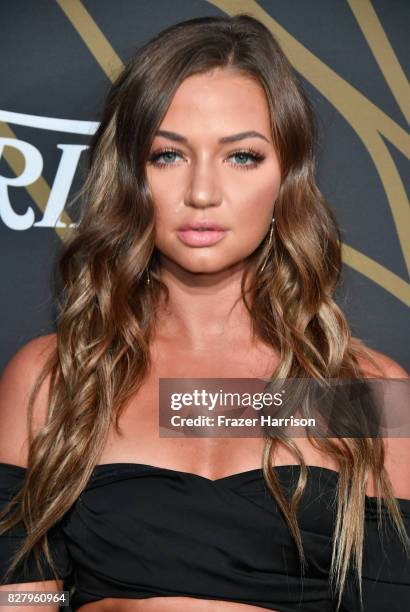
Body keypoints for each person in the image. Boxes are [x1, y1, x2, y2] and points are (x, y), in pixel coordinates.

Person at [0, 13, 409, 612]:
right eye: (168, 155)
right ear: (130, 175)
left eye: (241, 156)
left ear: (287, 178)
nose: (202, 193)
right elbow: (20, 600)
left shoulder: (362, 393)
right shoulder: (58, 378)